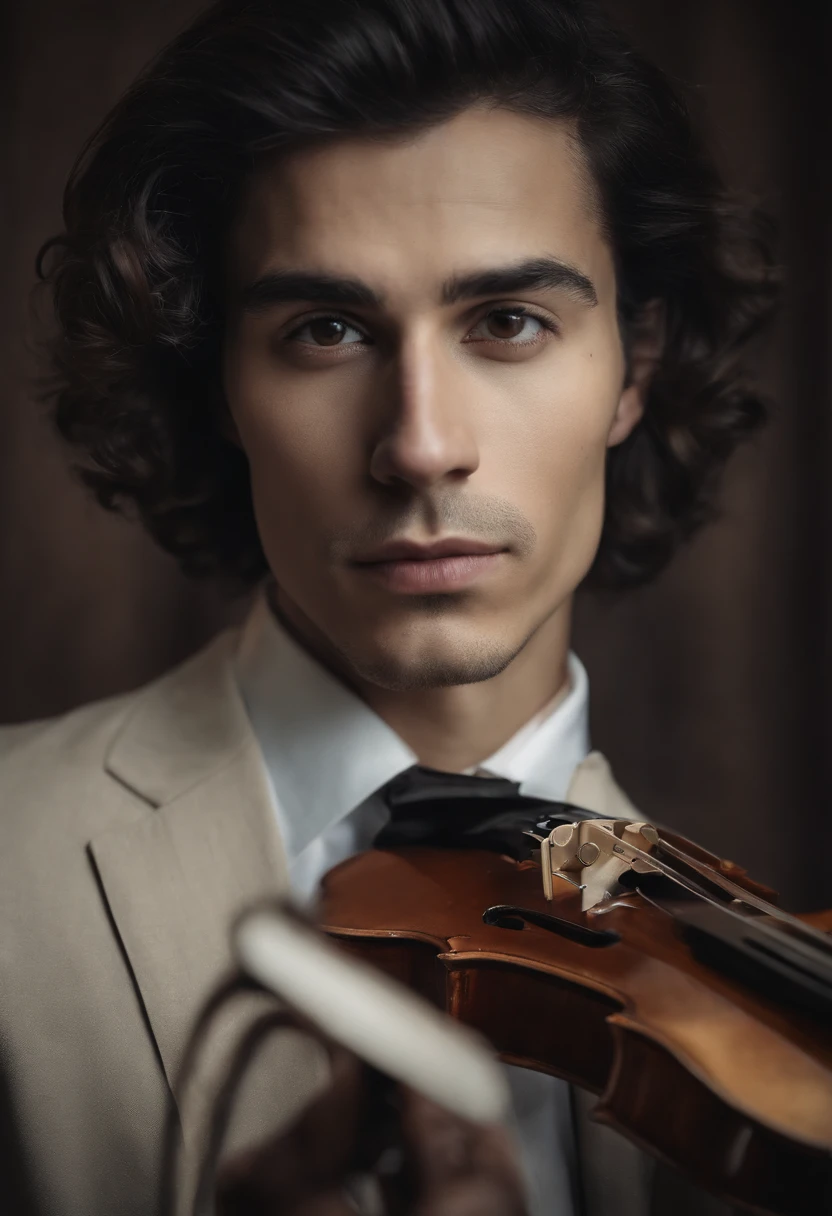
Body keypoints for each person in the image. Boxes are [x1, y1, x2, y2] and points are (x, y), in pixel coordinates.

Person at [0, 1, 777, 1214]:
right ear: (216, 383)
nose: (420, 445)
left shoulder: (769, 1030)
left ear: (635, 365)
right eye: (325, 330)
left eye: (508, 322)